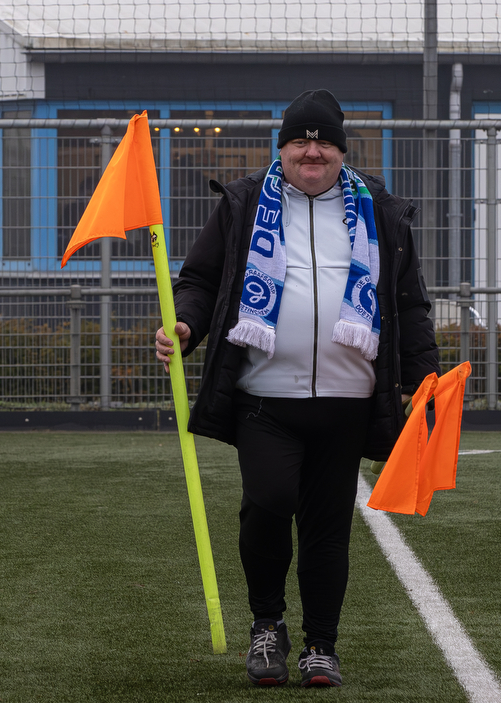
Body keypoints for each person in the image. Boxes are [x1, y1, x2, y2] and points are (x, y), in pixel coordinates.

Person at [154, 89, 438, 687]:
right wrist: (185, 325)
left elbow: (408, 304)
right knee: (268, 500)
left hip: (349, 401)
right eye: (301, 141)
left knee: (327, 527)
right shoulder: (242, 205)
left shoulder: (380, 212)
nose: (313, 151)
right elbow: (200, 280)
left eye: (324, 141)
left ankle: (320, 646)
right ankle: (267, 624)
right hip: (264, 398)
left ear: (341, 151)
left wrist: (421, 379)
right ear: (282, 148)